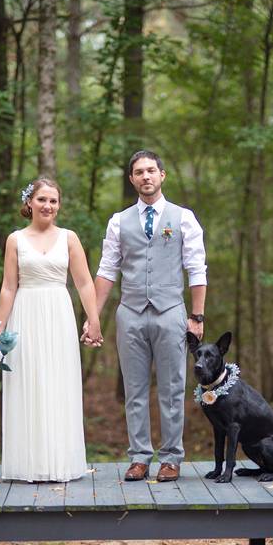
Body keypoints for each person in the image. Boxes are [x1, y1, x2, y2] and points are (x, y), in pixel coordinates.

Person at [88, 150, 207, 483]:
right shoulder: (119, 221)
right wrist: (93, 317)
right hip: (130, 313)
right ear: (132, 179)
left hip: (171, 313)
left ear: (162, 175)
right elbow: (107, 270)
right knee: (134, 390)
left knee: (172, 389)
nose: (146, 176)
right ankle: (139, 457)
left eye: (151, 170)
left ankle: (171, 458)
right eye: (139, 172)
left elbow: (196, 268)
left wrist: (197, 316)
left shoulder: (183, 218)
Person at [0, 177, 102, 483]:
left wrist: (93, 319)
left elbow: (84, 282)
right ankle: (29, 463)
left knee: (58, 383)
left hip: (58, 313)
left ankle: (60, 461)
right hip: (25, 314)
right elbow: (8, 287)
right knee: (28, 382)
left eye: (53, 201)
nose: (48, 205)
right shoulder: (15, 239)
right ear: (29, 203)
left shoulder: (69, 238)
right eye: (42, 199)